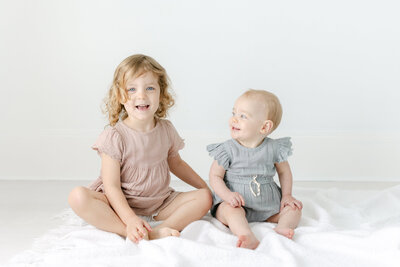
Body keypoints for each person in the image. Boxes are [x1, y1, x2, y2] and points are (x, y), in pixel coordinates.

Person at [68, 54, 212, 244]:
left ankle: (156, 231)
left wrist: (206, 188)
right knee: (78, 197)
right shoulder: (115, 136)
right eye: (132, 89)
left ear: (161, 94)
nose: (141, 95)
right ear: (120, 96)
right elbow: (111, 186)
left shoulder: (166, 129)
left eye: (150, 88)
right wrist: (129, 219)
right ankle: (128, 231)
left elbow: (176, 163)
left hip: (159, 202)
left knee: (204, 198)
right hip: (117, 203)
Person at [207, 89, 302, 249]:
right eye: (234, 113)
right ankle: (246, 234)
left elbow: (284, 172)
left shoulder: (274, 148)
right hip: (236, 203)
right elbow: (215, 176)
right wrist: (227, 195)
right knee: (230, 211)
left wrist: (287, 196)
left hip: (268, 205)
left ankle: (283, 228)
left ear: (264, 127)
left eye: (243, 116)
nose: (234, 119)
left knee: (294, 209)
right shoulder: (227, 149)